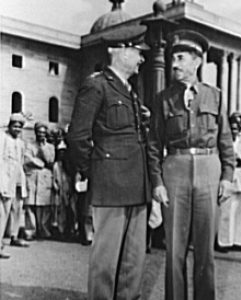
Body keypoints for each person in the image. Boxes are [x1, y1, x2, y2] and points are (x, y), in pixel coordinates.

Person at [147, 29, 234, 300]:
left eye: (181, 58)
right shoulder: (163, 99)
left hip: (209, 169)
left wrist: (227, 177)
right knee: (174, 249)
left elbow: (226, 142)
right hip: (175, 169)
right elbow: (152, 146)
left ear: (197, 61)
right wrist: (158, 183)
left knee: (206, 250)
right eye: (173, 59)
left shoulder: (215, 96)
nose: (174, 65)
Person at [67, 25, 151, 300]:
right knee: (106, 260)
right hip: (110, 185)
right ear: (119, 50)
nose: (142, 59)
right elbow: (78, 137)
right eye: (138, 52)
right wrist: (94, 172)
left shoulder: (130, 91)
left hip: (137, 185)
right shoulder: (97, 85)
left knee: (133, 259)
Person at [217, 117, 241, 252]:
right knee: (226, 210)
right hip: (227, 174)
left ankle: (237, 240)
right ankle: (224, 241)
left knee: (239, 210)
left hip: (240, 175)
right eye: (232, 127)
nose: (234, 130)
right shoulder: (221, 139)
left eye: (236, 128)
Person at [0, 113, 28, 259]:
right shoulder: (3, 139)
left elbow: (21, 163)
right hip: (5, 180)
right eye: (15, 126)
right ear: (9, 126)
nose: (17, 129)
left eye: (19, 126)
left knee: (18, 209)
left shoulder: (21, 143)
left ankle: (14, 235)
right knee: (2, 213)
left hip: (17, 180)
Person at [24, 121, 55, 240]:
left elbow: (50, 161)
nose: (41, 135)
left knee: (44, 206)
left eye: (43, 132)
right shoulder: (29, 145)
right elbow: (27, 159)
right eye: (38, 132)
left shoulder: (50, 147)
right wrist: (40, 164)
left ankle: (44, 230)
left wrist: (42, 148)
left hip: (45, 178)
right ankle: (30, 231)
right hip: (32, 176)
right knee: (30, 205)